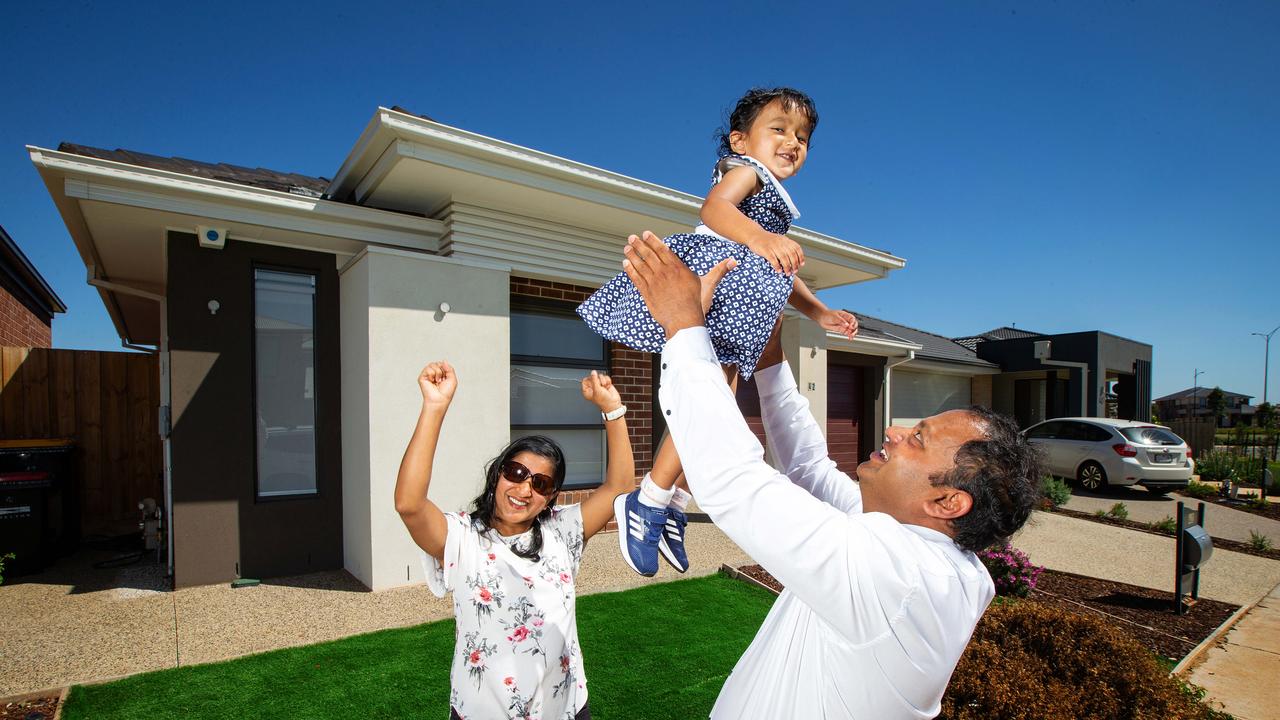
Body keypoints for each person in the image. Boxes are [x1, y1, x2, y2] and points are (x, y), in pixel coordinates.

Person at [618, 231, 1042, 719]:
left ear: (948, 502)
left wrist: (682, 324)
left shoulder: (901, 578)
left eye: (919, 440)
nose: (895, 432)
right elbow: (807, 468)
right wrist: (771, 352)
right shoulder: (912, 544)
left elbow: (733, 479)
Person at [576, 87, 858, 577]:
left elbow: (780, 274)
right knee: (711, 401)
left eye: (803, 136)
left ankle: (669, 501)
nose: (793, 141)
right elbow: (714, 210)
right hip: (720, 281)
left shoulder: (773, 204)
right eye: (779, 128)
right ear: (740, 140)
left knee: (714, 409)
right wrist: (761, 237)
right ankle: (649, 499)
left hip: (744, 297)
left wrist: (818, 312)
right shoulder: (745, 171)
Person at [394, 363, 635, 720]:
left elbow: (619, 488)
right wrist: (434, 408)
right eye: (517, 473)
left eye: (540, 484)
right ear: (498, 474)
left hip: (563, 707)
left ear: (551, 497)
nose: (524, 489)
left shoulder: (562, 532)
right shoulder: (461, 538)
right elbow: (409, 504)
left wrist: (612, 409)